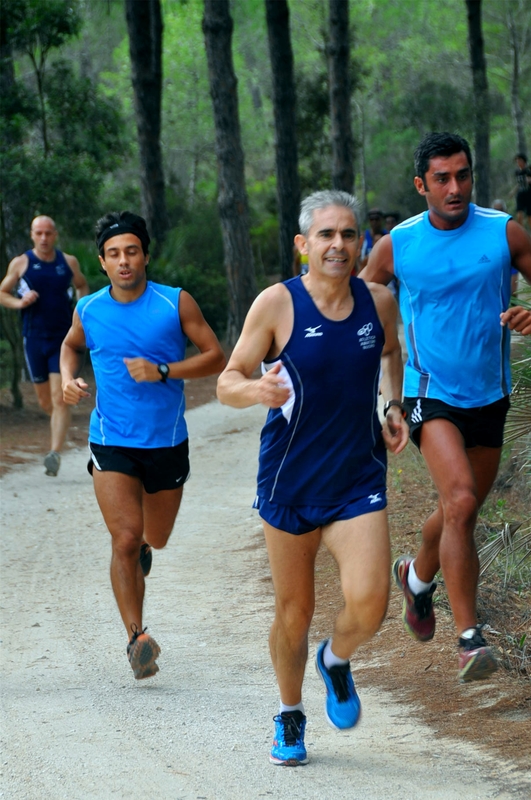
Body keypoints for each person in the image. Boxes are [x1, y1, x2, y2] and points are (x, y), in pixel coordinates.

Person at [217, 190, 408, 766]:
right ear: (303, 245)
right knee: (293, 612)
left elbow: (391, 354)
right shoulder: (276, 304)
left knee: (371, 603)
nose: (338, 245)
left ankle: (336, 659)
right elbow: (228, 379)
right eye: (326, 235)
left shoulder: (379, 301)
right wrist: (257, 390)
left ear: (360, 243)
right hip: (290, 482)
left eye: (348, 234)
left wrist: (392, 406)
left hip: (357, 476)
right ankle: (289, 713)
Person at [360, 132, 531, 684]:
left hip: (490, 392)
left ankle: (415, 577)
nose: (454, 188)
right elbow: (362, 300)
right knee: (458, 497)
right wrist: (375, 384)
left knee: (463, 509)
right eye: (441, 178)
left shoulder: (503, 233)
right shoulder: (398, 244)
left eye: (462, 175)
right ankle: (468, 638)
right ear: (421, 185)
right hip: (427, 391)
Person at [60, 211, 226, 680]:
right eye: (114, 254)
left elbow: (216, 356)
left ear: (146, 255)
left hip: (166, 441)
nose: (124, 260)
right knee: (125, 538)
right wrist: (69, 379)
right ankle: (137, 639)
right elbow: (71, 344)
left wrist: (164, 371)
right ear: (102, 262)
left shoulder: (174, 303)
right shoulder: (89, 309)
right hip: (111, 439)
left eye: (131, 251)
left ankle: (146, 549)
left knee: (157, 536)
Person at [0, 216, 89, 476]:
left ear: (55, 234)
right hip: (34, 338)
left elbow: (82, 285)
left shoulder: (68, 262)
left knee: (59, 398)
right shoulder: (21, 263)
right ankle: (59, 426)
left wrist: (80, 311)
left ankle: (54, 453)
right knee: (45, 401)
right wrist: (20, 302)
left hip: (63, 340)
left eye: (48, 233)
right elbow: (3, 293)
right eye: (39, 233)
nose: (44, 238)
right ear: (31, 235)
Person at [513, 153, 531, 229]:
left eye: (519, 160)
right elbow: (519, 184)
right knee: (519, 214)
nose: (518, 162)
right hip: (520, 195)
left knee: (529, 216)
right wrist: (513, 191)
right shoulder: (517, 172)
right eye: (517, 161)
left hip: (529, 194)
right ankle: (521, 232)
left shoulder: (528, 171)